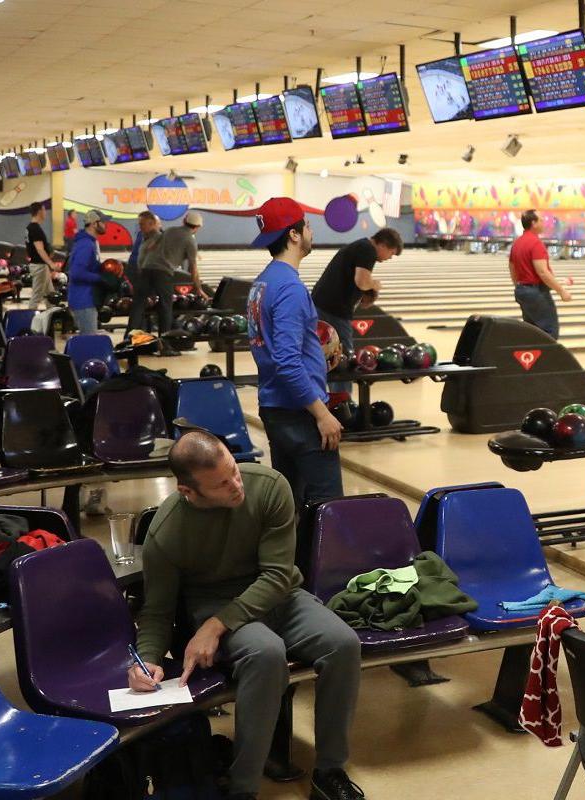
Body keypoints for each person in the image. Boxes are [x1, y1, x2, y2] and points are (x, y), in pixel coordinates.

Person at [131, 432, 364, 800]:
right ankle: (243, 789)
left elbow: (276, 575)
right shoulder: (167, 532)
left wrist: (214, 626)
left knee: (343, 644)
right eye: (222, 484)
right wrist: (147, 661)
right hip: (212, 600)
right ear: (189, 491)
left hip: (277, 594)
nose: (237, 485)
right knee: (265, 653)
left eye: (234, 471)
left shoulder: (269, 486)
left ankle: (330, 770)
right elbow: (157, 609)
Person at [247, 197, 345, 521]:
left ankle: (296, 570)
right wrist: (321, 414)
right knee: (328, 512)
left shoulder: (262, 283)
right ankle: (327, 572)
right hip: (300, 414)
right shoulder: (289, 286)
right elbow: (287, 361)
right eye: (308, 225)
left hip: (275, 406)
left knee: (290, 510)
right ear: (294, 234)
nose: (311, 231)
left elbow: (272, 349)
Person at [310, 227, 402, 394]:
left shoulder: (360, 246)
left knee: (322, 356)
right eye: (391, 253)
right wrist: (375, 284)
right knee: (343, 359)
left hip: (321, 305)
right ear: (384, 245)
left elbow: (354, 282)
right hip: (334, 311)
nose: (389, 258)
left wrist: (362, 296)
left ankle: (321, 400)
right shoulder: (367, 250)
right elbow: (361, 281)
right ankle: (342, 403)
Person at [134, 210, 201, 345]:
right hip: (163, 273)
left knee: (138, 307)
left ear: (184, 221)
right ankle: (164, 345)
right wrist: (199, 289)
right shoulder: (190, 240)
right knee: (165, 308)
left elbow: (151, 246)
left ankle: (129, 340)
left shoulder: (170, 230)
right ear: (197, 227)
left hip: (146, 268)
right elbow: (192, 268)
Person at [508, 210, 570, 338]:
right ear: (533, 223)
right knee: (549, 333)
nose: (544, 223)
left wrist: (520, 286)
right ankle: (546, 358)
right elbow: (542, 272)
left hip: (522, 291)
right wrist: (561, 291)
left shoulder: (517, 243)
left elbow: (512, 269)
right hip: (536, 292)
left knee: (532, 332)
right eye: (541, 220)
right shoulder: (536, 243)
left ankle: (530, 357)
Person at [66, 210, 107, 334]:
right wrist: (101, 278)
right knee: (89, 343)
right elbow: (77, 273)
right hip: (83, 300)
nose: (105, 225)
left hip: (86, 298)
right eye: (103, 222)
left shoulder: (89, 242)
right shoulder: (86, 245)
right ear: (94, 224)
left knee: (87, 340)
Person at [24, 202, 56, 310]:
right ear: (39, 212)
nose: (45, 212)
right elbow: (40, 249)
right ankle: (28, 319)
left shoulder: (30, 227)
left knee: (50, 294)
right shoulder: (35, 229)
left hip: (40, 265)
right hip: (39, 266)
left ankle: (52, 316)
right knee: (37, 296)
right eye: (44, 210)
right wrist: (51, 263)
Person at [125, 210, 161, 288]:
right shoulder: (141, 234)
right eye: (140, 224)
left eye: (142, 224)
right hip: (133, 269)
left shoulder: (160, 238)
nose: (140, 227)